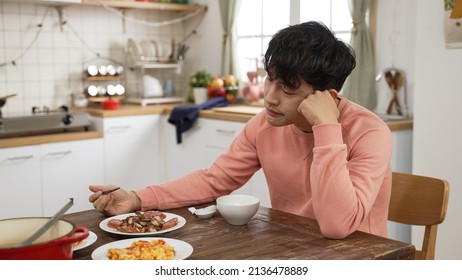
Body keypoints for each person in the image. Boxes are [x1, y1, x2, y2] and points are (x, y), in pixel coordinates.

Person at [89, 21, 392, 239]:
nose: (270, 96)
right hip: (291, 246)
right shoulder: (264, 124)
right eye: (269, 79)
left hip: (360, 255)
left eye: (288, 88)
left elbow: (337, 226)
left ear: (327, 96)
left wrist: (326, 127)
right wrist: (137, 199)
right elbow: (214, 180)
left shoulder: (370, 133)